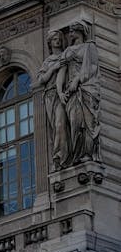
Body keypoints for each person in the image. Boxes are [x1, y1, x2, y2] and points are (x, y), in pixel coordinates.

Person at [57, 22, 100, 164]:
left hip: (87, 89)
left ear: (79, 31)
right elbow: (61, 73)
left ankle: (87, 154)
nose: (69, 34)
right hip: (71, 93)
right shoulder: (68, 51)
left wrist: (77, 80)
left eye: (72, 31)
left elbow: (92, 67)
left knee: (88, 124)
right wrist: (60, 92)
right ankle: (78, 154)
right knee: (75, 122)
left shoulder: (90, 47)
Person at [35, 30, 69, 170]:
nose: (57, 41)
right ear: (50, 43)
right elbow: (41, 80)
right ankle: (59, 157)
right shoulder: (48, 61)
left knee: (60, 123)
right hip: (50, 95)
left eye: (59, 38)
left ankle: (61, 155)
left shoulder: (66, 56)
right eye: (54, 39)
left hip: (63, 94)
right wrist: (53, 68)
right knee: (54, 127)